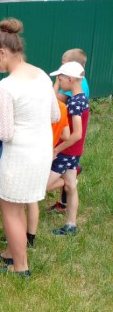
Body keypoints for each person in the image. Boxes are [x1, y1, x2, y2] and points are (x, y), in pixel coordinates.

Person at [0, 18, 60, 277]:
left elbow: (5, 132)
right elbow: (54, 116)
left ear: (3, 52)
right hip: (41, 152)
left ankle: (20, 267)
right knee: (21, 205)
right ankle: (12, 254)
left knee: (11, 211)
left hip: (19, 156)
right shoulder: (41, 75)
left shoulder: (5, 87)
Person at [46, 61, 90, 235]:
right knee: (71, 188)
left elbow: (77, 133)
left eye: (60, 78)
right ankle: (71, 225)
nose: (59, 81)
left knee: (43, 186)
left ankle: (69, 179)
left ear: (70, 79)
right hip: (74, 152)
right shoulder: (81, 99)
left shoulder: (74, 103)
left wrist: (57, 150)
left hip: (67, 152)